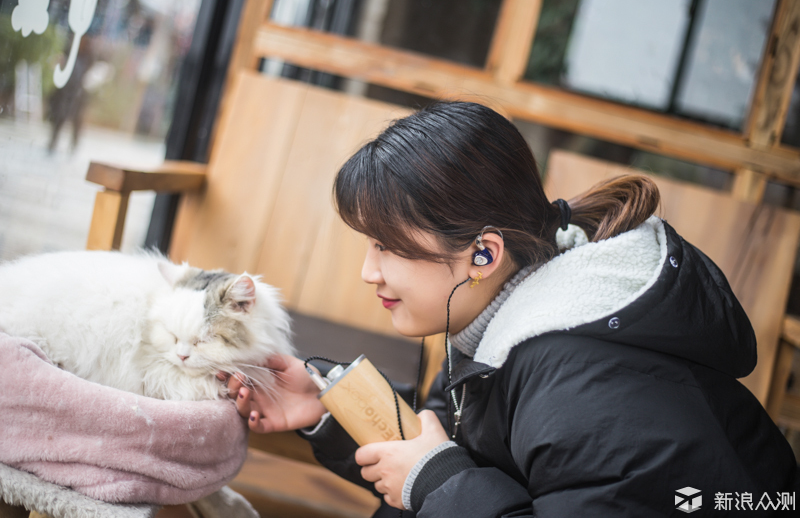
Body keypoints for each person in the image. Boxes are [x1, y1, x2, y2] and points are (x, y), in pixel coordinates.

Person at [227, 101, 799, 517]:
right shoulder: (497, 322)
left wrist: (435, 483)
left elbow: (450, 474)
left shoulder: (588, 388)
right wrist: (328, 412)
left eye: (387, 246)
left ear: (483, 252)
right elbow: (460, 455)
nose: (368, 271)